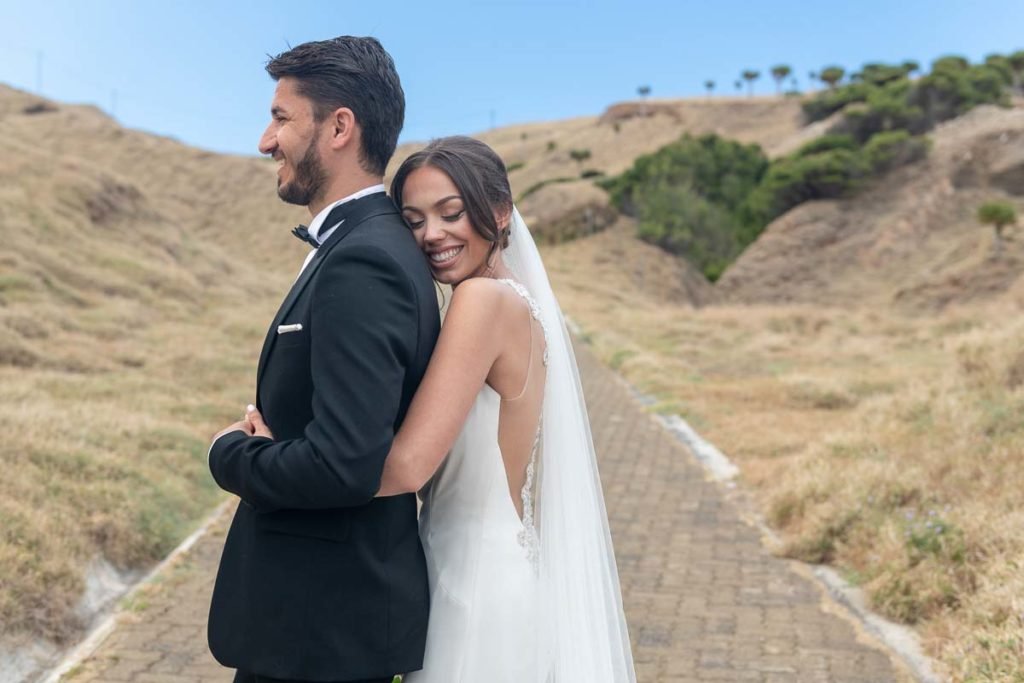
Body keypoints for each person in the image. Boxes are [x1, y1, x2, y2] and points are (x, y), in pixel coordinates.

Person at [249, 136, 637, 681]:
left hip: (472, 588)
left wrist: (277, 459)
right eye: (413, 220)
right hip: (490, 572)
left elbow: (406, 468)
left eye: (450, 213)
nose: (432, 235)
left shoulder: (483, 303)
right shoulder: (514, 300)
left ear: (499, 213)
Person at [206, 37, 439, 683]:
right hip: (314, 627)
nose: (264, 140)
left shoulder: (364, 259)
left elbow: (344, 464)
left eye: (281, 118)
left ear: (339, 127)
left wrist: (229, 452)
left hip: (319, 634)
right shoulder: (367, 244)